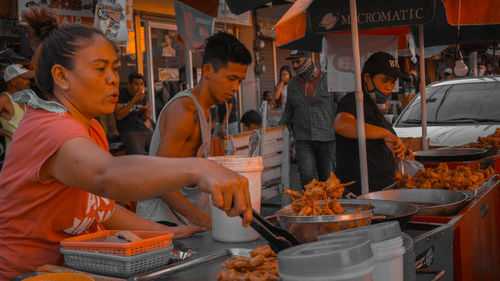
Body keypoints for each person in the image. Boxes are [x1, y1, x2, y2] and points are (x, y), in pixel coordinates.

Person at [0, 7, 252, 279]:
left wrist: (166, 231)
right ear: (61, 77)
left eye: (115, 67)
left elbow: (101, 208)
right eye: (100, 68)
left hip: (73, 269)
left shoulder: (91, 127)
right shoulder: (47, 127)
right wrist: (198, 168)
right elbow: (106, 175)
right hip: (25, 274)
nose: (113, 78)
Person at [136, 32, 252, 228]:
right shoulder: (184, 111)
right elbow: (160, 180)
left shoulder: (204, 110)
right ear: (207, 70)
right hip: (163, 222)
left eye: (239, 81)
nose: (235, 88)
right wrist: (205, 222)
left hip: (183, 219)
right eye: (231, 78)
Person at [334, 52, 410, 195]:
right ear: (367, 78)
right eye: (385, 80)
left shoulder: (372, 106)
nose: (389, 87)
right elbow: (341, 125)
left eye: (393, 82)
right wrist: (384, 134)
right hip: (358, 193)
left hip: (381, 189)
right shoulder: (354, 101)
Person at [280, 50, 339, 188]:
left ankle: (328, 207)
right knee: (307, 176)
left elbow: (342, 104)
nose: (294, 66)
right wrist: (278, 129)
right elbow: (289, 110)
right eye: (292, 62)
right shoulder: (293, 84)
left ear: (308, 60)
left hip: (326, 137)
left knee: (328, 177)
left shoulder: (328, 79)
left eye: (298, 61)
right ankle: (311, 207)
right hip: (303, 138)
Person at [114, 73, 153, 155]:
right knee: (139, 157)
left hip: (143, 129)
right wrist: (133, 101)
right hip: (129, 130)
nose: (139, 87)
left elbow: (144, 118)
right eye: (136, 84)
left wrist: (146, 114)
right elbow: (118, 116)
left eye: (141, 84)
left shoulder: (142, 97)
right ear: (129, 85)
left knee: (159, 151)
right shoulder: (122, 94)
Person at [0, 64, 32, 155]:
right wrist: (9, 134)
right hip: (15, 154)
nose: (28, 81)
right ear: (13, 81)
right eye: (24, 78)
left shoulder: (23, 99)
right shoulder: (4, 99)